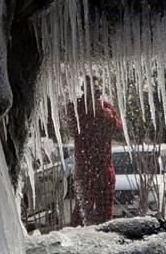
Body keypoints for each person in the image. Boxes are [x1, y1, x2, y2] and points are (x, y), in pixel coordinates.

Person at [66, 78, 123, 226]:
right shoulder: (76, 109)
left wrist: (106, 116)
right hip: (85, 169)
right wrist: (88, 114)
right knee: (82, 212)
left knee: (106, 213)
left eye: (98, 92)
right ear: (85, 90)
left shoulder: (106, 108)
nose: (96, 96)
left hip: (104, 169)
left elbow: (118, 129)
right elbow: (72, 128)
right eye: (93, 92)